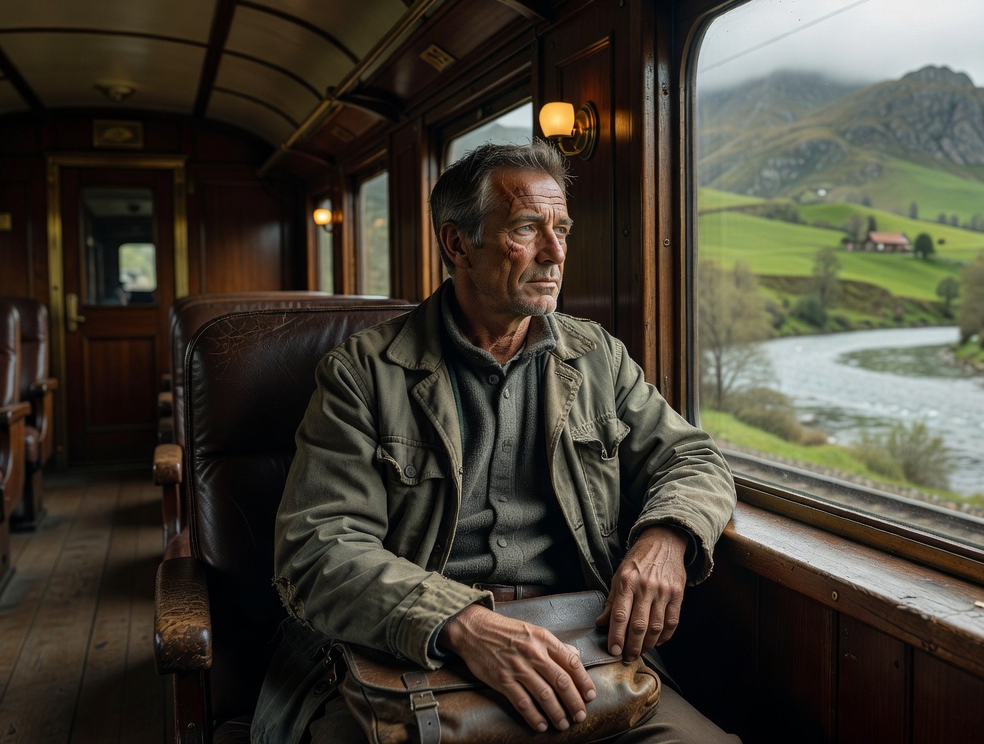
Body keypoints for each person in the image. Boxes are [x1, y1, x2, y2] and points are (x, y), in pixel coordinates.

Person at [253, 140, 738, 743]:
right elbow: (316, 547)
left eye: (561, 228)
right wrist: (461, 622)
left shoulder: (596, 358)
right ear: (457, 243)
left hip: (582, 648)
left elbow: (694, 457)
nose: (555, 252)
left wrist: (668, 536)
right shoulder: (362, 374)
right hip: (416, 651)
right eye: (527, 228)